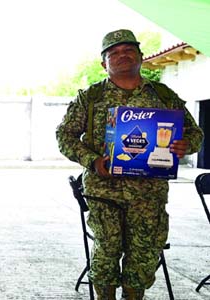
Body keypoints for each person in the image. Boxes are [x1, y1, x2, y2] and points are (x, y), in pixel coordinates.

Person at [56, 29, 203, 300]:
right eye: (114, 53)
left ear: (141, 56)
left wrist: (186, 145)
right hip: (104, 192)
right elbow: (64, 136)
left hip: (149, 194)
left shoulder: (163, 95)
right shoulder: (90, 98)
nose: (122, 56)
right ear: (104, 63)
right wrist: (93, 161)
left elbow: (195, 133)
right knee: (107, 251)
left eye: (128, 50)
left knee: (145, 254)